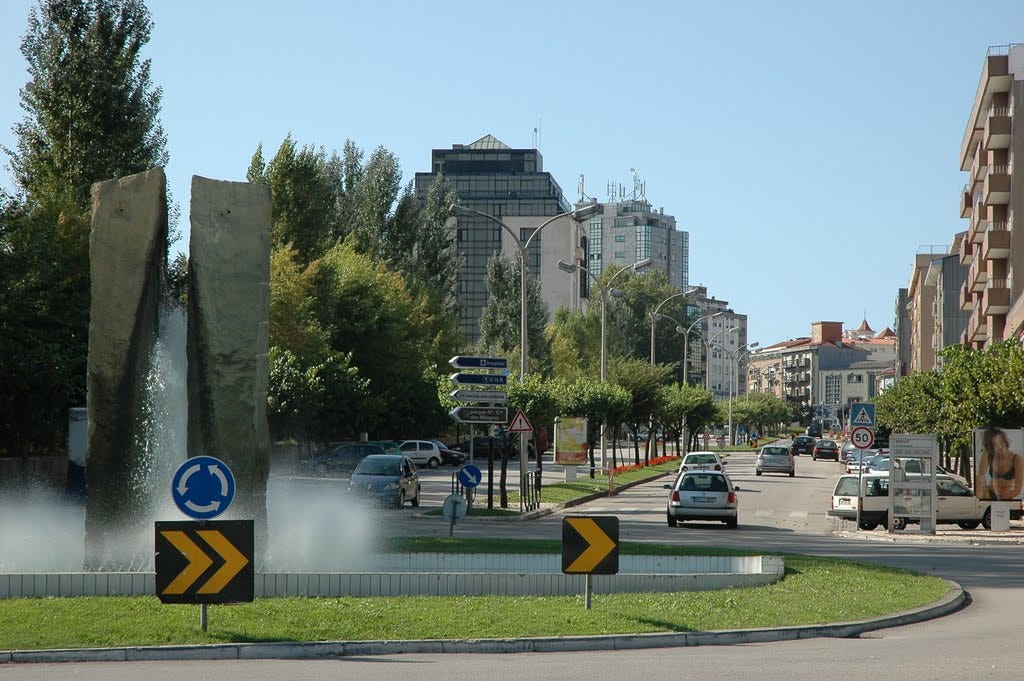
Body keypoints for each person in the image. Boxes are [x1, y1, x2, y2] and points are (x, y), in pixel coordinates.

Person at [977, 427, 1024, 501]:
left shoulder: (1017, 458)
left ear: (1005, 441)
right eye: (994, 444)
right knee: (979, 478)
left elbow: (1017, 490)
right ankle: (979, 506)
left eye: (1000, 442)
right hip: (989, 494)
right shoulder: (992, 456)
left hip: (1006, 496)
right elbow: (981, 472)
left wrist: (1000, 501)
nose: (999, 447)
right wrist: (986, 448)